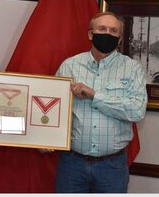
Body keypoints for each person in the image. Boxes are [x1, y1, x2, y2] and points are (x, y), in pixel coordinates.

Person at [53, 12, 147, 192]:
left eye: (113, 31)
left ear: (119, 39)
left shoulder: (132, 68)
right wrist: (46, 138)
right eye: (102, 29)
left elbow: (137, 111)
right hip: (72, 164)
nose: (107, 34)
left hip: (112, 167)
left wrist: (95, 96)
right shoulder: (69, 66)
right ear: (90, 34)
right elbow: (54, 107)